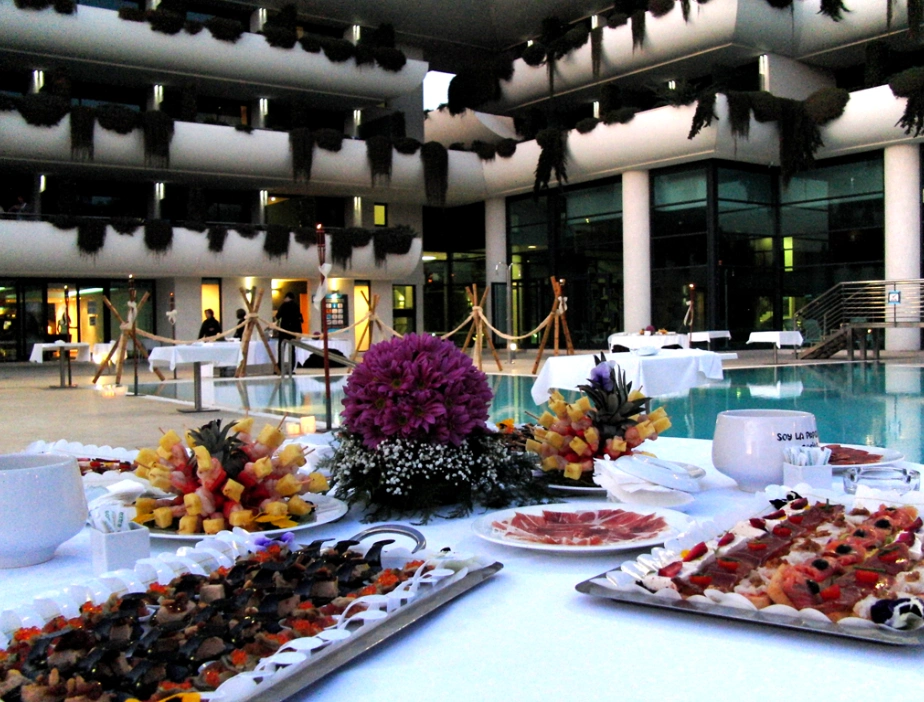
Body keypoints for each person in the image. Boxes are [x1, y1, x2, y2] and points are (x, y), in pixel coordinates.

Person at [275, 292, 303, 369]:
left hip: (284, 329)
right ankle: (292, 367)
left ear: (287, 297)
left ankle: (280, 366)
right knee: (292, 349)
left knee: (281, 348)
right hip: (293, 330)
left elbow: (278, 316)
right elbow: (299, 319)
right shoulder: (296, 306)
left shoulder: (284, 305)